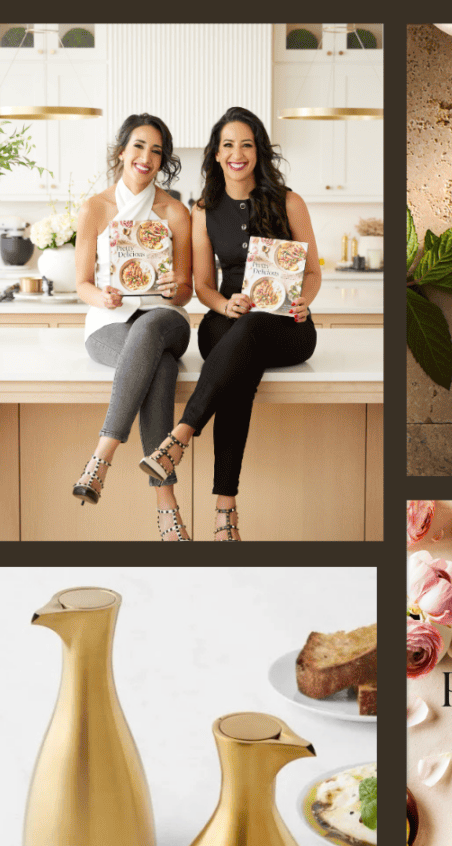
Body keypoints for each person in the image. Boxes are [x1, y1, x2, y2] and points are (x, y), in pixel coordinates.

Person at [138, 107, 321, 542]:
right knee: (240, 365)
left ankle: (179, 436)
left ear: (258, 152)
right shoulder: (203, 209)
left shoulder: (289, 202)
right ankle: (225, 514)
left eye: (246, 144)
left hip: (284, 324)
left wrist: (302, 302)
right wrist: (225, 304)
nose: (237, 153)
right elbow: (202, 284)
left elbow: (312, 273)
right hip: (227, 317)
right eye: (228, 145)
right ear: (216, 155)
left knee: (253, 333)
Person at [72, 113, 193, 540]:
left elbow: (186, 290)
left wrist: (172, 288)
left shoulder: (175, 212)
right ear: (121, 150)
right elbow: (82, 282)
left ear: (163, 161)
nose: (146, 157)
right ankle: (166, 504)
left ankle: (101, 455)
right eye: (139, 146)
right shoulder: (96, 208)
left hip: (166, 319)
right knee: (158, 368)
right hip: (109, 323)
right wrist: (101, 297)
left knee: (152, 331)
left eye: (156, 151)